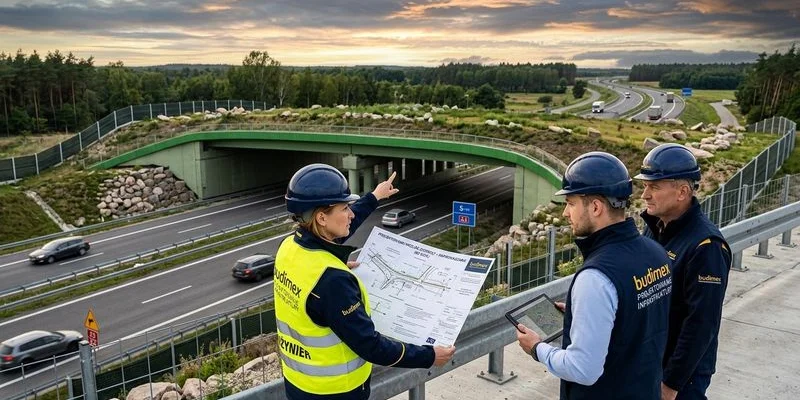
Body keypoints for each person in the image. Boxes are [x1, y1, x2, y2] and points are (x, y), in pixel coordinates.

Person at [273, 163, 455, 400]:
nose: (351, 214)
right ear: (321, 217)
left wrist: (375, 196)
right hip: (337, 391)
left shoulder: (289, 248)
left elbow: (313, 281)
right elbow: (371, 346)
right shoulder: (331, 282)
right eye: (344, 208)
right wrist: (429, 357)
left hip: (298, 383)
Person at [516, 151, 673, 399]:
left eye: (571, 203)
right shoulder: (656, 253)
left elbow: (583, 369)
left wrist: (537, 349)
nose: (566, 213)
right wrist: (588, 315)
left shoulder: (596, 278)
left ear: (596, 206)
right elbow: (636, 320)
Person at [634, 144, 732, 400]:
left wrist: (671, 383)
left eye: (654, 186)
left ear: (682, 192)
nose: (645, 195)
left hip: (681, 375)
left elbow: (701, 324)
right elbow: (643, 288)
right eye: (645, 186)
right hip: (652, 358)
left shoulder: (706, 246)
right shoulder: (656, 228)